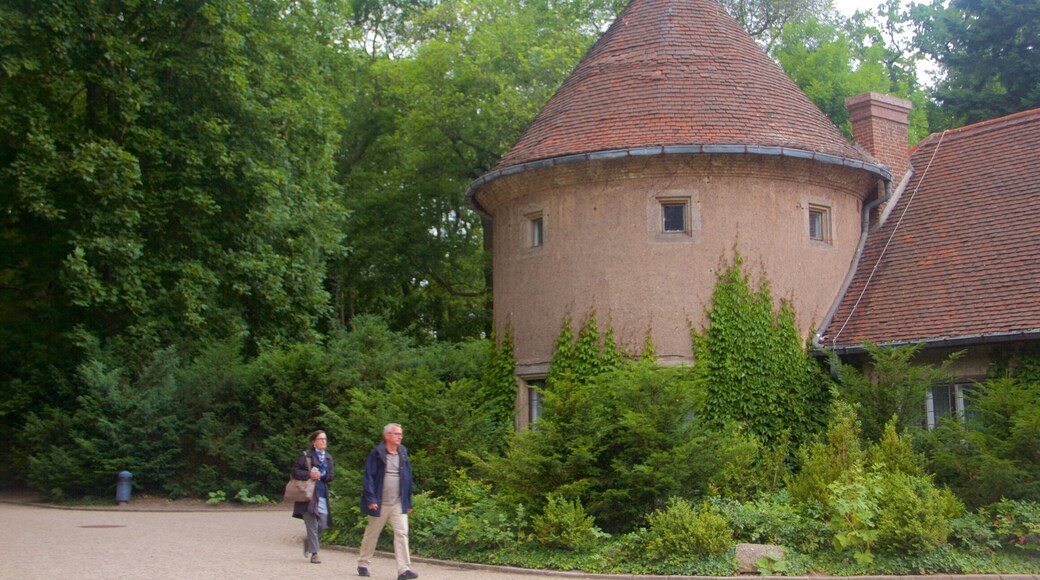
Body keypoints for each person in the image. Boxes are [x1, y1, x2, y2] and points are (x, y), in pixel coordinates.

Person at [357, 423, 417, 580]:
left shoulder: (403, 452)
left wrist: (408, 501)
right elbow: (368, 477)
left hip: (398, 502)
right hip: (380, 501)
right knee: (372, 534)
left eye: (401, 434)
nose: (400, 437)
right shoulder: (376, 453)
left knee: (402, 533)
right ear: (387, 435)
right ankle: (363, 563)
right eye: (397, 434)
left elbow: (408, 478)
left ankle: (404, 569)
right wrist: (371, 498)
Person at [291, 430, 334, 564]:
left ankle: (308, 542)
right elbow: (295, 471)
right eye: (320, 439)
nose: (323, 441)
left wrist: (322, 476)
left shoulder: (328, 457)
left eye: (325, 439)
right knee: (312, 526)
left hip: (322, 495)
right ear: (313, 442)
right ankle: (315, 554)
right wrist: (309, 474)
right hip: (307, 495)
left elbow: (331, 476)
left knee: (323, 524)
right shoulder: (305, 455)